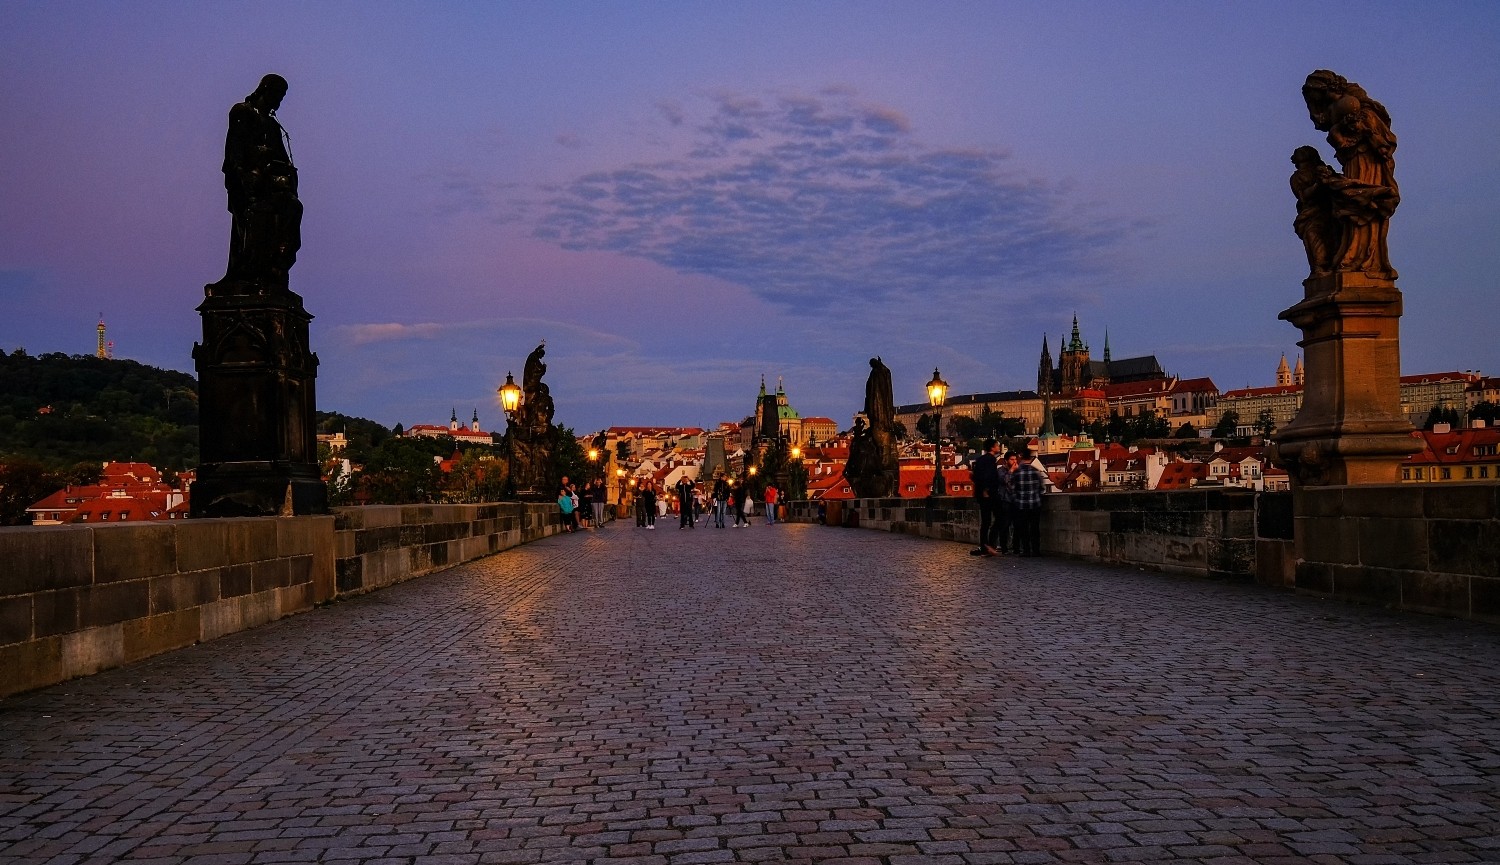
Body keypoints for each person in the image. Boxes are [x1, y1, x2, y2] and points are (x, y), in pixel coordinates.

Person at [219, 74, 302, 287]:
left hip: (272, 184)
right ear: (265, 89)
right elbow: (235, 150)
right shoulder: (243, 112)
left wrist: (286, 174)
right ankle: (249, 271)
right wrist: (248, 170)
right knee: (258, 217)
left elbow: (282, 159)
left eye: (282, 96)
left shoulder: (273, 126)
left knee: (293, 207)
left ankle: (278, 265)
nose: (279, 100)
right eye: (278, 94)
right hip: (248, 181)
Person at [969, 438, 1002, 557]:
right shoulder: (990, 459)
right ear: (992, 448)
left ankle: (985, 545)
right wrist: (985, 490)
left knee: (986, 521)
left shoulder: (980, 459)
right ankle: (989, 545)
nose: (999, 447)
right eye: (997, 445)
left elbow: (973, 475)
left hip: (982, 494)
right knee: (999, 517)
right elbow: (987, 476)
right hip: (989, 494)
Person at [1010, 452, 1047, 557]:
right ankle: (1036, 550)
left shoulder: (1016, 473)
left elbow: (1012, 488)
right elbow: (1042, 488)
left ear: (1020, 458)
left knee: (1024, 529)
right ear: (1030, 458)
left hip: (1021, 505)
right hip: (1035, 504)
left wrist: (1017, 498)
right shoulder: (1036, 471)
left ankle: (1026, 550)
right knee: (1035, 528)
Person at [998, 452, 1019, 555]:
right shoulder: (1000, 471)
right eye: (1012, 459)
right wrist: (1011, 471)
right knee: (1005, 525)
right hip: (1005, 500)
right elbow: (1004, 480)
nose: (1014, 462)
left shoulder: (1017, 471)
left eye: (1015, 459)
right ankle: (1004, 548)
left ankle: (1016, 548)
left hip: (1016, 500)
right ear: (1006, 461)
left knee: (1017, 525)